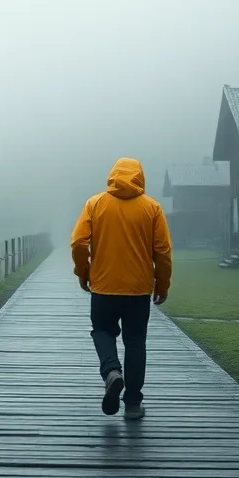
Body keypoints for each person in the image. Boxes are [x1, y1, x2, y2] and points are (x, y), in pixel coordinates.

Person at [70, 157, 172, 420]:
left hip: (103, 287)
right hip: (138, 290)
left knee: (102, 331)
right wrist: (162, 284)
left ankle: (112, 371)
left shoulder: (95, 204)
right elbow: (162, 251)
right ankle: (133, 404)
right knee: (135, 342)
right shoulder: (152, 208)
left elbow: (79, 243)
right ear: (140, 177)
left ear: (113, 176)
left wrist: (84, 272)